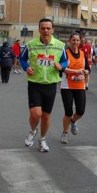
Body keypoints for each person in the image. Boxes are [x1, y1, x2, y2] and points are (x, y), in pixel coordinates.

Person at [20, 18, 68, 152]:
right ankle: (33, 130)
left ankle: (42, 139)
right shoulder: (31, 45)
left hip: (51, 84)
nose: (46, 30)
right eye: (43, 28)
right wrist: (26, 67)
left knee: (46, 116)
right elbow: (23, 59)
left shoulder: (60, 45)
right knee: (36, 114)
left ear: (52, 30)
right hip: (35, 83)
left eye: (48, 28)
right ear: (39, 30)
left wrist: (62, 66)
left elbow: (65, 61)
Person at [60, 32, 90, 144]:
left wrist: (85, 72)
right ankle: (65, 133)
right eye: (73, 40)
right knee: (68, 112)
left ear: (80, 41)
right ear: (69, 41)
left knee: (81, 111)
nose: (76, 42)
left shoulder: (83, 54)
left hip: (80, 85)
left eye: (77, 40)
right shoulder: (65, 54)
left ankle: (73, 121)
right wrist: (75, 72)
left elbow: (87, 68)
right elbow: (62, 68)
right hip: (67, 86)